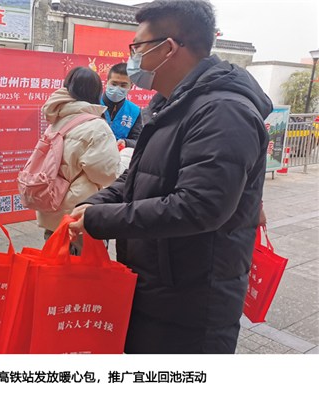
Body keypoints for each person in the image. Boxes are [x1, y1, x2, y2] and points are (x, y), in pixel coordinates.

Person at [68, 0, 272, 353]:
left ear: (168, 48)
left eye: (137, 47)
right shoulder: (171, 104)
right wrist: (93, 205)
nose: (133, 59)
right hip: (157, 287)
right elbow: (138, 177)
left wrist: (101, 220)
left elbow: (199, 206)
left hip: (191, 305)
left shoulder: (223, 111)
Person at [38, 66, 121, 255]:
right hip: (79, 212)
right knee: (82, 266)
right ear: (97, 92)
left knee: (54, 259)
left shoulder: (56, 121)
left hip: (51, 205)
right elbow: (106, 174)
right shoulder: (96, 126)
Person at [101, 62, 143, 149]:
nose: (117, 88)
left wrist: (126, 143)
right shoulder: (93, 103)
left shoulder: (134, 111)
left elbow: (138, 141)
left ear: (131, 86)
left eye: (123, 85)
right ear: (107, 82)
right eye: (114, 84)